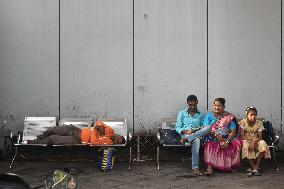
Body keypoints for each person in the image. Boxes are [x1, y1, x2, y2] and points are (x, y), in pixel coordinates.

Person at [203, 98, 242, 175]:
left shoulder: (229, 116)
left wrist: (227, 141)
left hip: (227, 137)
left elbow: (233, 131)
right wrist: (217, 136)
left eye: (219, 105)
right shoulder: (209, 115)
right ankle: (209, 167)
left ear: (223, 106)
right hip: (213, 137)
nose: (216, 107)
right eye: (215, 105)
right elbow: (206, 128)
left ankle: (231, 166)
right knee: (209, 144)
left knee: (236, 143)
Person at [175, 95, 205, 176]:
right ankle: (195, 168)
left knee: (197, 139)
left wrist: (196, 131)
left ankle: (195, 168)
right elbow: (177, 127)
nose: (192, 106)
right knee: (196, 139)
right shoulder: (182, 113)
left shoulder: (202, 115)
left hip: (197, 134)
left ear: (197, 102)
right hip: (185, 135)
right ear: (187, 103)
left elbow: (203, 127)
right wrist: (186, 131)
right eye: (190, 105)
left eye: (194, 105)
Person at [27, 121, 125, 145]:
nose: (116, 137)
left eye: (117, 140)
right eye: (118, 136)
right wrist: (99, 126)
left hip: (76, 140)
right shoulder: (111, 131)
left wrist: (96, 130)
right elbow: (98, 123)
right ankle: (38, 138)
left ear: (116, 142)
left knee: (53, 139)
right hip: (76, 130)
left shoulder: (108, 142)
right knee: (53, 129)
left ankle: (35, 143)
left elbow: (94, 141)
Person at [239, 107, 271, 177]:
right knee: (246, 144)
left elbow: (260, 137)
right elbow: (242, 136)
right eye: (251, 115)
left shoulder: (259, 123)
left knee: (262, 143)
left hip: (256, 140)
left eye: (255, 115)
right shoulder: (243, 122)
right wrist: (250, 142)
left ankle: (256, 166)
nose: (253, 116)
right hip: (246, 140)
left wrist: (254, 142)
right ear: (247, 115)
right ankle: (254, 168)